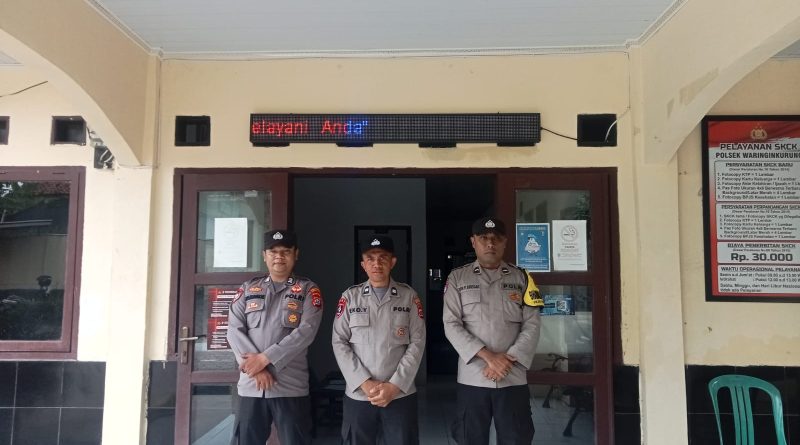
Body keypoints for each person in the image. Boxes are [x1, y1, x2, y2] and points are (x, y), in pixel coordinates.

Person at [443, 217, 544, 445]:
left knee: (516, 438)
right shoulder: (457, 278)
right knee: (470, 438)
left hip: (512, 377)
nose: (490, 243)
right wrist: (489, 357)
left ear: (505, 242)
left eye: (496, 238)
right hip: (473, 377)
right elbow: (451, 324)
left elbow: (532, 324)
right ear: (473, 242)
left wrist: (506, 361)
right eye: (484, 238)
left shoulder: (522, 277)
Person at [227, 229, 323, 445]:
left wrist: (264, 359)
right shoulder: (248, 289)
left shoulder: (308, 290)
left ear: (295, 254)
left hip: (289, 386)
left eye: (285, 251)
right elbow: (233, 330)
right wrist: (257, 368)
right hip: (251, 385)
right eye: (273, 252)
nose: (279, 257)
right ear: (264, 255)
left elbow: (306, 332)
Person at [332, 235, 426, 445]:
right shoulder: (350, 297)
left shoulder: (409, 297)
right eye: (371, 258)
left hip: (399, 394)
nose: (377, 263)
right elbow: (339, 342)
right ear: (363, 265)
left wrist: (395, 385)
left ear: (392, 262)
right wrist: (364, 382)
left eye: (383, 257)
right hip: (360, 394)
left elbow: (417, 342)